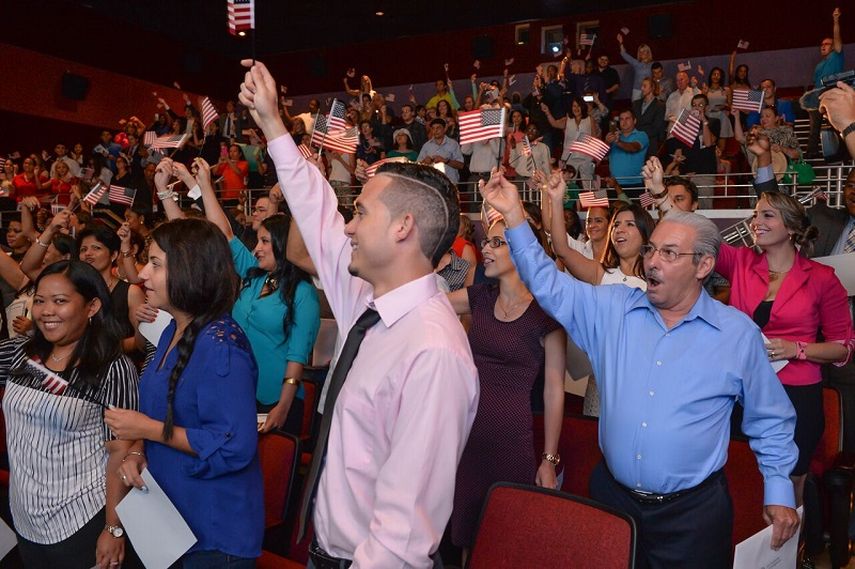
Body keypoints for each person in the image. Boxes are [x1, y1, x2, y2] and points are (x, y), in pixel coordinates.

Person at [480, 168, 800, 569]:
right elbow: (546, 283)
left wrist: (778, 488)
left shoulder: (736, 335)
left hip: (693, 516)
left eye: (669, 253)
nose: (652, 262)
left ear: (703, 266)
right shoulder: (613, 309)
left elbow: (770, 418)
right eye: (651, 250)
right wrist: (512, 215)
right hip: (613, 501)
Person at [239, 59, 479, 568]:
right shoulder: (364, 303)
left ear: (403, 227)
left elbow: (403, 537)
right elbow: (316, 210)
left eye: (362, 213)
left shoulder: (434, 352)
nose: (347, 226)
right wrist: (274, 125)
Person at [105, 218, 264, 566]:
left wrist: (145, 430)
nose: (143, 274)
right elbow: (168, 416)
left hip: (212, 531)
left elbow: (234, 447)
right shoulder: (170, 333)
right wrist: (138, 450)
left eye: (156, 264)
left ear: (190, 270)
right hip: (172, 519)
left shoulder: (221, 345)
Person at [0, 260, 139, 569]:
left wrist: (113, 528)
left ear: (92, 306)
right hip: (25, 516)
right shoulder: (20, 354)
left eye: (60, 301)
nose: (46, 310)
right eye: (39, 301)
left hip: (81, 518)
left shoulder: (112, 367)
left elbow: (121, 452)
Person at [446, 215, 566, 562]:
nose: (486, 248)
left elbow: (554, 390)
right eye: (487, 241)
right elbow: (425, 304)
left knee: (505, 539)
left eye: (497, 243)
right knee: (467, 536)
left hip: (511, 440)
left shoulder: (546, 313)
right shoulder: (480, 297)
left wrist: (548, 459)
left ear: (523, 252)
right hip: (467, 436)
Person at [174, 156, 321, 434]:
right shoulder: (255, 274)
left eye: (265, 242)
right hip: (239, 390)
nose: (257, 248)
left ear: (282, 245)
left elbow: (297, 357)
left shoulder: (304, 294)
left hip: (276, 400)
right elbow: (225, 234)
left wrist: (284, 406)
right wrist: (204, 184)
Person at [808, 7, 844, 158]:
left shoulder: (837, 56)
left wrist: (835, 21)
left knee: (835, 124)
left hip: (832, 95)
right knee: (814, 126)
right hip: (818, 97)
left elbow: (837, 39)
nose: (823, 46)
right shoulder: (818, 65)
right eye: (822, 44)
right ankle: (812, 152)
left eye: (827, 44)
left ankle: (842, 150)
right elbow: (815, 83)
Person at [418, 118, 465, 186]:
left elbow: (461, 165)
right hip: (431, 183)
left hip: (450, 183)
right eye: (433, 128)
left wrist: (445, 161)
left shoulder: (453, 144)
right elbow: (417, 165)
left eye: (438, 128)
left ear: (444, 129)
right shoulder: (426, 146)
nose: (435, 131)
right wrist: (424, 162)